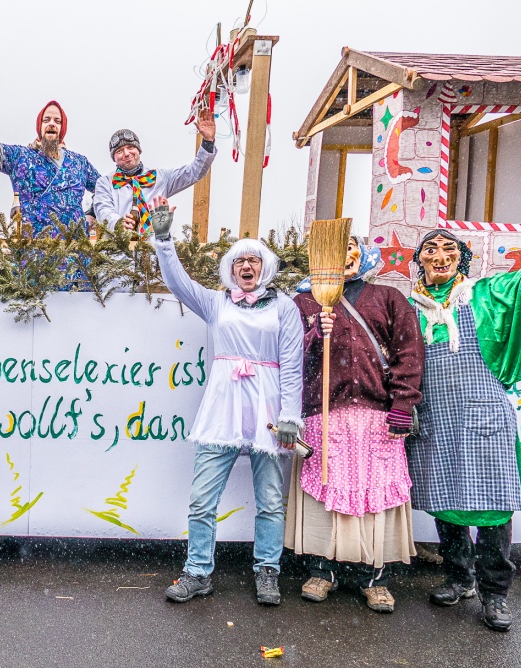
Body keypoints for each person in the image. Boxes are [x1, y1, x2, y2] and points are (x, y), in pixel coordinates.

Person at [407, 181, 521, 631]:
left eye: (448, 247)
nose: (439, 253)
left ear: (461, 259)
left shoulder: (490, 294)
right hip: (437, 420)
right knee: (444, 502)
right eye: (430, 248)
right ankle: (458, 577)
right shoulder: (408, 308)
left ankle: (494, 594)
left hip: (485, 416)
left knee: (493, 506)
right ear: (420, 262)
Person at [150, 196, 304, 606]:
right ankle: (198, 572)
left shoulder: (285, 308)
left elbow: (292, 365)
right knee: (203, 497)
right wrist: (164, 240)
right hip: (222, 409)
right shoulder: (217, 302)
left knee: (271, 499)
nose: (247, 267)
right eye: (240, 262)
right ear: (231, 270)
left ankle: (267, 571)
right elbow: (178, 283)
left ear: (265, 268)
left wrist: (291, 415)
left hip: (268, 410)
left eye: (254, 260)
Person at [286, 236, 425, 613]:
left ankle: (373, 576)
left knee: (373, 493)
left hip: (376, 416)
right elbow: (286, 356)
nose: (344, 254)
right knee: (324, 490)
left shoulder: (389, 299)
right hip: (323, 413)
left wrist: (402, 405)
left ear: (362, 254)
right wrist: (314, 329)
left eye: (352, 247)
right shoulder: (303, 301)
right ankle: (321, 569)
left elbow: (408, 353)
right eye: (337, 247)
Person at [0, 70, 101, 235]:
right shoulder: (21, 157)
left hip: (74, 253)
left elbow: (104, 191)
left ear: (63, 129)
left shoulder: (79, 164)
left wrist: (91, 213)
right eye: (46, 120)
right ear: (40, 127)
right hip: (32, 252)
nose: (51, 124)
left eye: (57, 121)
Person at [93, 112, 217, 236]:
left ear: (138, 150)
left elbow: (194, 172)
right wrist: (119, 223)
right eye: (119, 151)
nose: (126, 153)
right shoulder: (105, 183)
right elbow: (103, 211)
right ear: (114, 158)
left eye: (130, 147)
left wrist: (208, 141)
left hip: (153, 250)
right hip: (118, 251)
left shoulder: (160, 178)